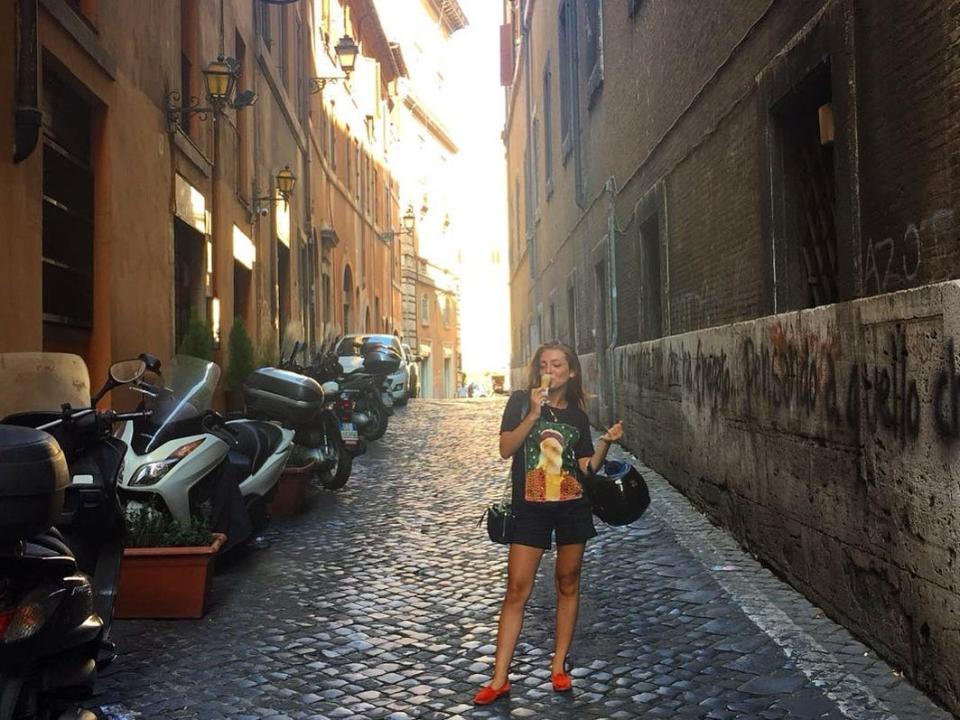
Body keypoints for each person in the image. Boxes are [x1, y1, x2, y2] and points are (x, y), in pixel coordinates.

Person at [473, 341, 624, 705]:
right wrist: (532, 413)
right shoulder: (521, 403)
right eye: (544, 364)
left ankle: (558, 666)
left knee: (568, 583)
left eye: (558, 365)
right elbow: (506, 449)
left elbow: (587, 467)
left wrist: (604, 443)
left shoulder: (576, 417)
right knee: (516, 590)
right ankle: (499, 678)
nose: (550, 369)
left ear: (570, 372)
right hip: (531, 509)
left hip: (572, 507)